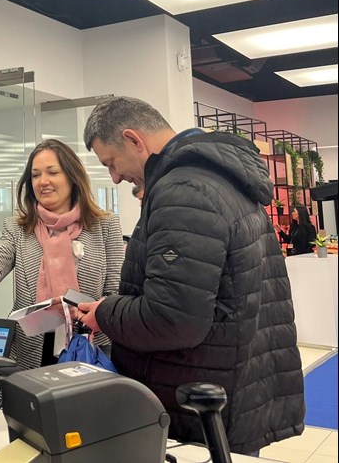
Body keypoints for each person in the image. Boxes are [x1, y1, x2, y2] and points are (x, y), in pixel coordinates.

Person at [77, 96, 304, 455]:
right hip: (229, 386)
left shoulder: (183, 190)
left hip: (197, 405)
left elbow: (172, 319)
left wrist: (105, 312)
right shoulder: (215, 177)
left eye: (111, 163)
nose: (115, 177)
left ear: (134, 140)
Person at [0, 139, 123, 371]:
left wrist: (99, 313)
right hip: (31, 350)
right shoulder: (19, 227)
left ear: (72, 177)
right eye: (36, 175)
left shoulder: (104, 225)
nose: (43, 181)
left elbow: (116, 290)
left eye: (52, 172)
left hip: (90, 347)